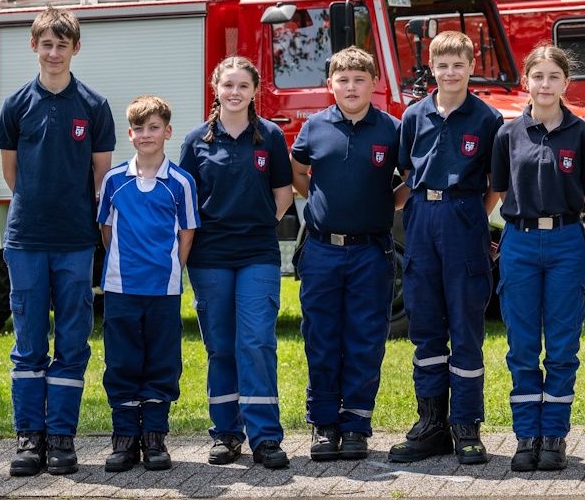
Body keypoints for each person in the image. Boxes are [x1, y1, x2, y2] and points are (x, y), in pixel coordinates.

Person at [0, 6, 116, 477]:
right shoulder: (15, 105)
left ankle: (62, 436)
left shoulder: (93, 105)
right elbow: (12, 173)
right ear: (34, 47)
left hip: (74, 241)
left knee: (72, 341)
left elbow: (102, 175)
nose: (53, 52)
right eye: (46, 44)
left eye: (61, 45)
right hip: (26, 239)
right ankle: (30, 436)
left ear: (75, 49)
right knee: (28, 344)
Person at [388, 30, 503, 465]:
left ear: (472, 67)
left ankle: (467, 427)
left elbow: (495, 185)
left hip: (463, 218)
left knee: (466, 327)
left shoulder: (487, 118)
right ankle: (431, 426)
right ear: (431, 69)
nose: (451, 72)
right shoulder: (414, 116)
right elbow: (405, 173)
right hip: (421, 220)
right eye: (443, 65)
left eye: (459, 64)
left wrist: (470, 212)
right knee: (426, 327)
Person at [290, 47, 407, 462]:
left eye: (359, 79)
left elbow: (410, 177)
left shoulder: (392, 129)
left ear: (373, 83)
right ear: (330, 85)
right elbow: (299, 172)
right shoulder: (314, 127)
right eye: (343, 80)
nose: (351, 87)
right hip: (322, 249)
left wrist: (387, 203)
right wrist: (318, 202)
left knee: (365, 338)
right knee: (320, 338)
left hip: (371, 253)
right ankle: (323, 424)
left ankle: (356, 424)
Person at [488, 44, 585, 473]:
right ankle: (526, 436)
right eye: (539, 76)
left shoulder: (582, 135)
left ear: (566, 83)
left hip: (566, 243)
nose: (546, 84)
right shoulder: (507, 134)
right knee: (521, 346)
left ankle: (553, 434)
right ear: (526, 82)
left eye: (554, 76)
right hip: (518, 243)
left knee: (561, 345)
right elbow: (499, 188)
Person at [178, 56, 294, 469]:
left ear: (254, 91)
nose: (235, 92)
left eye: (243, 85)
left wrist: (262, 224)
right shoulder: (195, 141)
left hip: (257, 255)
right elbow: (185, 202)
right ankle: (227, 434)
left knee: (257, 342)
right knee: (221, 347)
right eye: (228, 84)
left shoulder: (271, 137)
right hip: (210, 258)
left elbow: (284, 193)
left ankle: (266, 437)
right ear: (215, 87)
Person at [97, 96, 199, 473]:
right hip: (121, 289)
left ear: (167, 132)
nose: (146, 134)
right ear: (130, 133)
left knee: (161, 361)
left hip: (163, 290)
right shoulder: (114, 180)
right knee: (122, 361)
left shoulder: (181, 183)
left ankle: (155, 436)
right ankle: (124, 438)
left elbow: (187, 234)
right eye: (139, 128)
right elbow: (106, 230)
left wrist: (170, 270)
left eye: (154, 127)